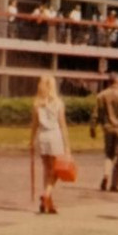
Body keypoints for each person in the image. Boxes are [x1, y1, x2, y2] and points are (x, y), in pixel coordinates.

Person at [30, 75, 72, 214]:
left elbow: (34, 125)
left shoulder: (37, 103)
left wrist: (31, 140)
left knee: (46, 170)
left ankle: (48, 204)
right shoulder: (58, 103)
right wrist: (67, 146)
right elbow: (63, 125)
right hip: (55, 136)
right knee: (57, 171)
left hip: (42, 136)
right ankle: (47, 194)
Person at [90, 73, 118, 193]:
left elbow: (96, 113)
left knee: (108, 155)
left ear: (109, 81)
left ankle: (106, 175)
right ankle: (114, 184)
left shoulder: (101, 95)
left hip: (107, 128)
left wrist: (93, 127)